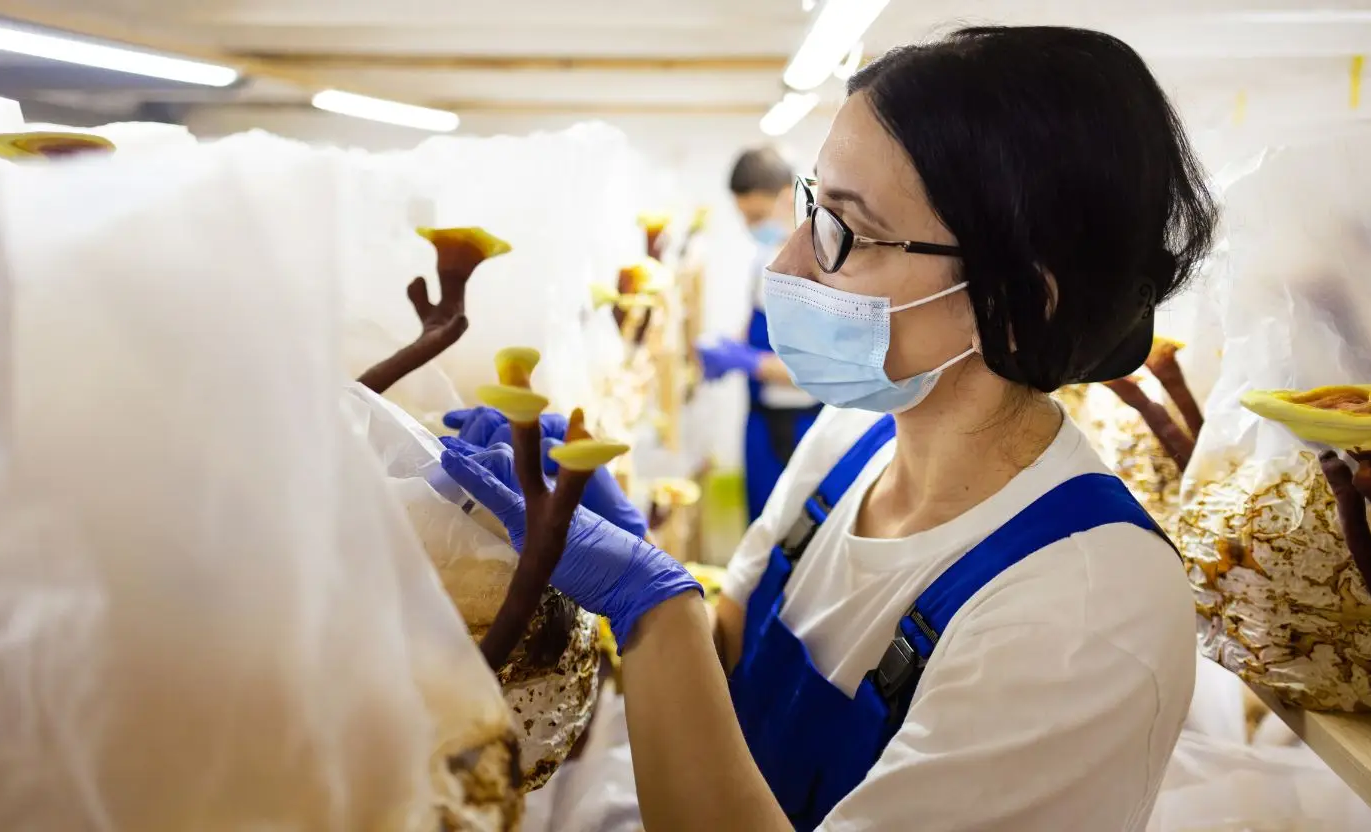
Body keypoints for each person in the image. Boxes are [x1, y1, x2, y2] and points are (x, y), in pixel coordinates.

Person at [444, 25, 1216, 831]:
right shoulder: (853, 438)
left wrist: (653, 604)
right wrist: (641, 564)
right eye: (813, 207)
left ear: (1023, 301)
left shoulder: (1087, 613)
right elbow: (730, 657)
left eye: (844, 232)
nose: (786, 268)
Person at [698, 146, 822, 523]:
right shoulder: (768, 254)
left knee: (789, 532)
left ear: (788, 196)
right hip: (761, 421)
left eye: (757, 216)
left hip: (796, 426)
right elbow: (758, 324)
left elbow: (817, 370)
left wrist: (748, 362)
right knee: (760, 524)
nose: (752, 226)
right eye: (745, 217)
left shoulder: (817, 267)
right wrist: (732, 347)